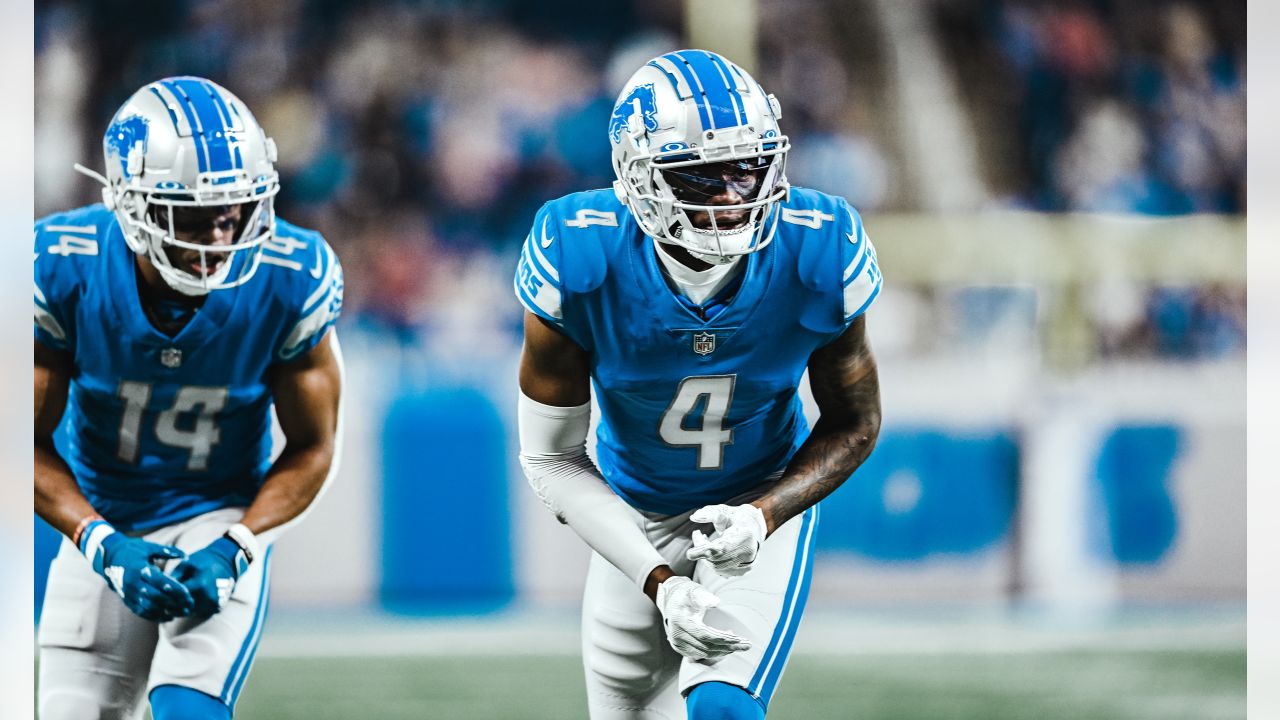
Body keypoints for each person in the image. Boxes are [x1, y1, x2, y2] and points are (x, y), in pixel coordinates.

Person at [514, 50, 883, 719]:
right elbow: (552, 456)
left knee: (720, 707)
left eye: (747, 168)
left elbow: (854, 421)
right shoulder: (579, 254)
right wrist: (658, 581)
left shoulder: (818, 248)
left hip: (757, 504)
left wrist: (763, 515)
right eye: (703, 175)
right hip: (634, 513)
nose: (736, 197)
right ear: (638, 174)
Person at [35, 76, 344, 720]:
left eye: (233, 212)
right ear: (127, 205)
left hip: (219, 512)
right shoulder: (61, 265)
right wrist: (99, 541)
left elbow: (315, 446)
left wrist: (239, 545)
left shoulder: (292, 274)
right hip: (106, 510)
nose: (219, 239)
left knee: (187, 709)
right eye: (192, 217)